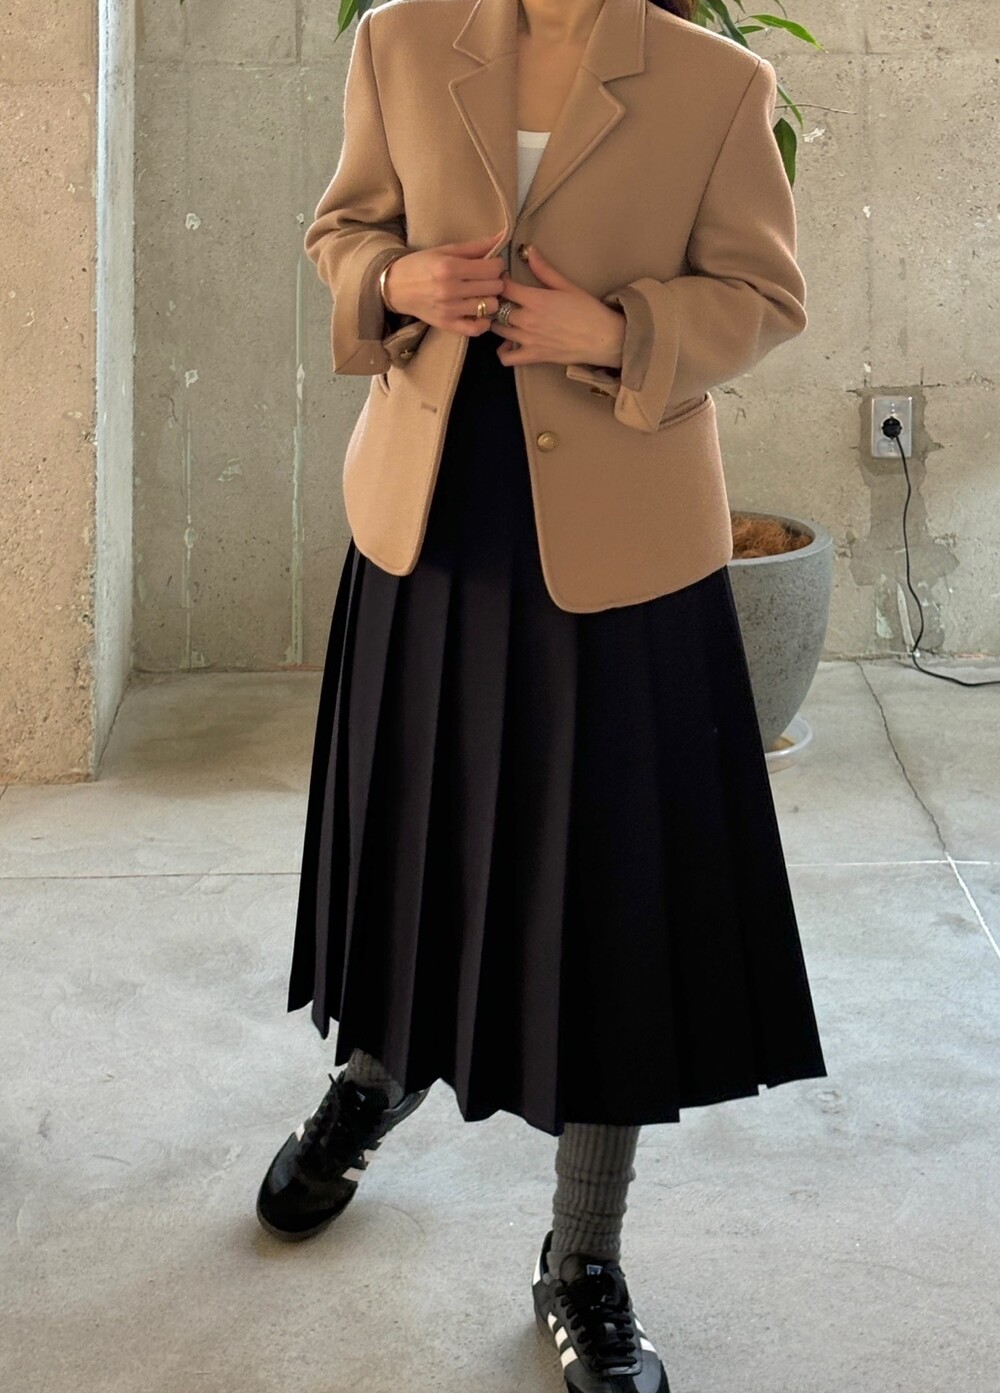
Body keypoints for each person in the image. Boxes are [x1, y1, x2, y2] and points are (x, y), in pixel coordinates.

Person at [257, 1, 828, 1389]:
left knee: (609, 894)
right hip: (426, 521)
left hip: (624, 543)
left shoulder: (718, 82)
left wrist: (617, 326)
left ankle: (583, 1252)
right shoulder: (400, 40)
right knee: (415, 833)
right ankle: (374, 1079)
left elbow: (764, 295)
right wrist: (397, 281)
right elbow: (344, 229)